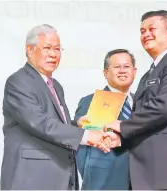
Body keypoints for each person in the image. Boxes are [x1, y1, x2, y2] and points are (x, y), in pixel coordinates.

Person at [103, 10, 167, 190]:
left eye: (152, 29)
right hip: (153, 176)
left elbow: (165, 107)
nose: (146, 34)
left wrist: (123, 126)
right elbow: (147, 121)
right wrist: (120, 140)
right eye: (142, 31)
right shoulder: (148, 74)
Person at [0, 24, 110, 190]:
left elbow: (52, 122)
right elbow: (39, 123)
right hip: (32, 179)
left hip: (59, 177)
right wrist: (86, 135)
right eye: (47, 48)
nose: (53, 54)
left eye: (57, 49)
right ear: (30, 50)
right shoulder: (19, 82)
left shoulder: (55, 85)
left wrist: (76, 124)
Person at [74, 49, 136, 190]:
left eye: (126, 66)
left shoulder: (146, 103)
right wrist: (93, 179)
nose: (122, 71)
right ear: (105, 73)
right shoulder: (90, 101)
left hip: (141, 182)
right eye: (116, 67)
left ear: (134, 71)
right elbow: (82, 146)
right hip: (104, 183)